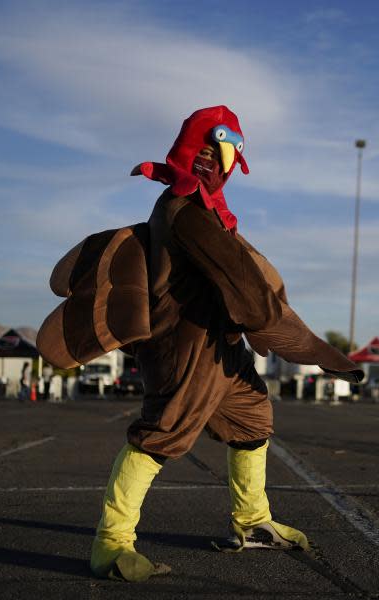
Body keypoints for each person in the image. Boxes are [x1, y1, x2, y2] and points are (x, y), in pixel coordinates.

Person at [37, 106, 361, 582]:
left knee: (253, 418)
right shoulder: (186, 210)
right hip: (186, 346)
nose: (216, 164)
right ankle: (111, 543)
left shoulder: (203, 210)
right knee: (161, 434)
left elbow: (246, 277)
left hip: (220, 347)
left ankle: (251, 522)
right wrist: (311, 349)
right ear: (189, 152)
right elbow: (248, 288)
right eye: (207, 152)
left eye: (224, 156)